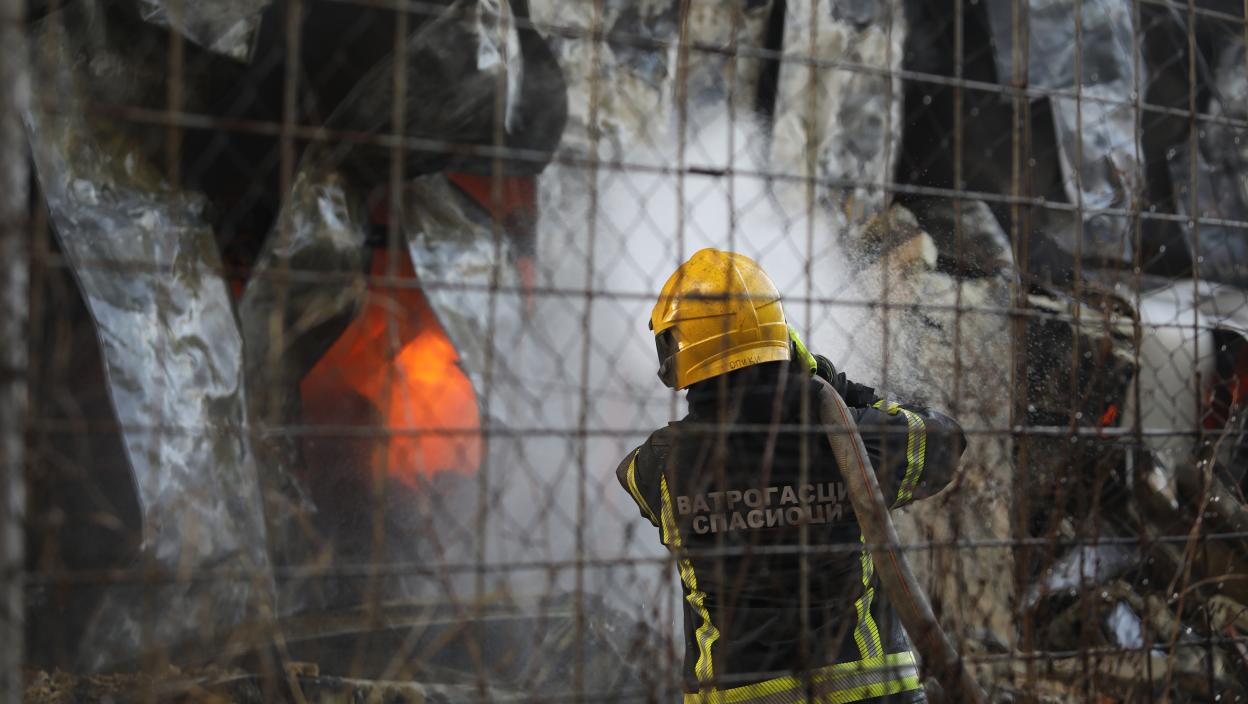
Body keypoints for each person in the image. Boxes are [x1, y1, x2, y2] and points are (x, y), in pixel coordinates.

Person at [617, 248, 966, 703]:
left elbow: (632, 479)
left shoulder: (659, 465)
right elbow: (946, 443)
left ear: (675, 352)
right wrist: (837, 387)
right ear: (779, 336)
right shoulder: (851, 438)